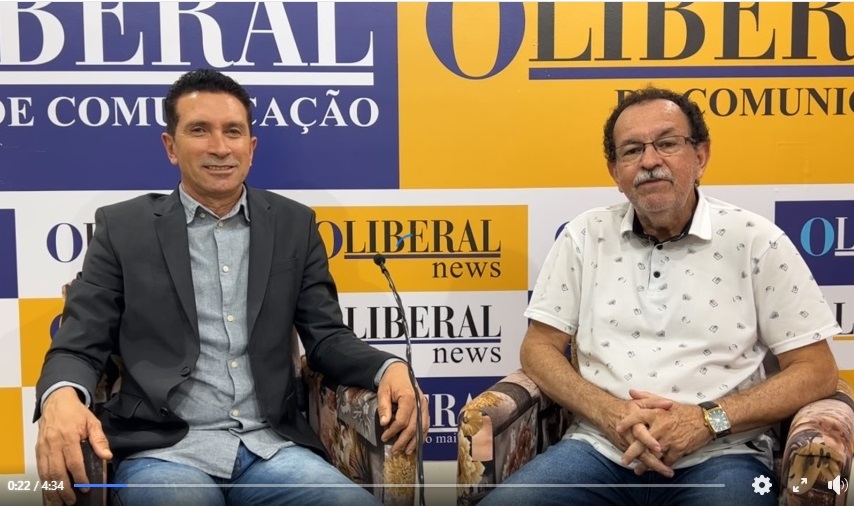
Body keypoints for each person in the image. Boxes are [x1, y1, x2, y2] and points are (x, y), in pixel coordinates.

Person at [34, 68, 429, 506]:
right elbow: (78, 344)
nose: (220, 147)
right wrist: (60, 396)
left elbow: (327, 338)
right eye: (199, 130)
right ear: (170, 146)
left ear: (251, 147)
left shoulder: (294, 225)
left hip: (272, 450)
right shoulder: (123, 228)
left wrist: (387, 367)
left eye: (233, 131)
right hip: (164, 454)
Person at [480, 86, 841, 505]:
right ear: (615, 171)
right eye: (632, 150)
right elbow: (538, 346)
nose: (650, 161)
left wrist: (706, 420)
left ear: (700, 156)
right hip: (598, 450)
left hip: (723, 456)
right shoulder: (584, 236)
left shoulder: (757, 241)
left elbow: (817, 370)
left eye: (667, 144)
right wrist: (608, 413)